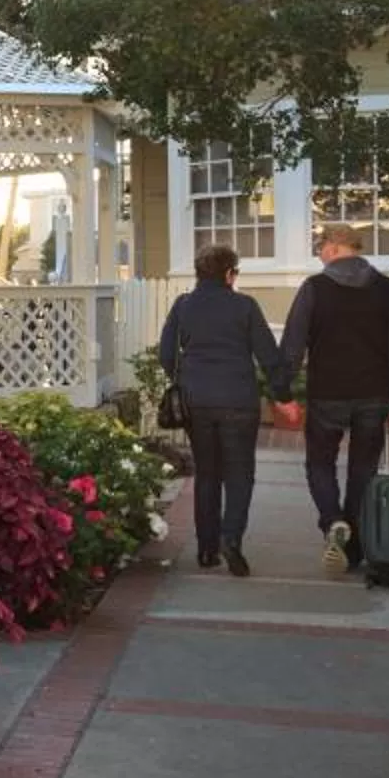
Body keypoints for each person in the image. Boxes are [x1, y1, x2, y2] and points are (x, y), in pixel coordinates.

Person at [280, 222, 389, 573]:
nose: (319, 252)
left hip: (328, 394)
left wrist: (282, 392)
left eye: (322, 245)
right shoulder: (387, 290)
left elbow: (293, 345)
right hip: (374, 394)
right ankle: (353, 550)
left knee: (319, 464)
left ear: (338, 247)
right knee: (363, 471)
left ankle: (332, 521)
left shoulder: (315, 288)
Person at [156, 243, 283, 576]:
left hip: (197, 402)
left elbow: (166, 353)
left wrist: (183, 379)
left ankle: (206, 549)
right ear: (229, 274)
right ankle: (233, 540)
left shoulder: (183, 305)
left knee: (207, 474)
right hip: (239, 401)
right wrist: (282, 393)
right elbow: (268, 354)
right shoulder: (245, 306)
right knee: (240, 475)